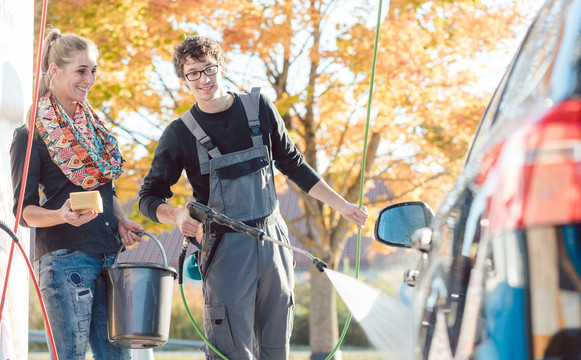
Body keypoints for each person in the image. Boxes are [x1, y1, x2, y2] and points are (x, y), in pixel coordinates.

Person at [138, 35, 368, 360]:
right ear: (183, 79)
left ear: (221, 66)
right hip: (224, 249)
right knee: (230, 349)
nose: (204, 79)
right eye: (193, 73)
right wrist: (176, 215)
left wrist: (341, 206)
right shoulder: (180, 133)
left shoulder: (258, 109)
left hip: (273, 243)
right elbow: (149, 197)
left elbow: (294, 164)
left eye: (209, 69)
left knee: (276, 346)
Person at [10, 28, 143, 360]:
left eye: (93, 70)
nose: (90, 78)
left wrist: (123, 220)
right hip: (64, 260)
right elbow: (23, 211)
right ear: (55, 71)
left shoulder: (94, 129)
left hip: (107, 256)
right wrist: (59, 215)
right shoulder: (31, 135)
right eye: (81, 70)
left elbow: (103, 188)